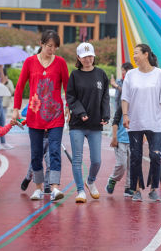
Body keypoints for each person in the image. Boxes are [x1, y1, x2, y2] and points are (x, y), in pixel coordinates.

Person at [13, 30, 69, 201]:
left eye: (55, 47)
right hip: (35, 115)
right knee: (36, 153)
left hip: (55, 115)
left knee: (54, 152)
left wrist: (68, 107)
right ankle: (37, 187)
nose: (52, 50)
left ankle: (54, 188)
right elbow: (20, 86)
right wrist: (16, 109)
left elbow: (67, 88)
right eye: (49, 46)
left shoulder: (60, 63)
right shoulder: (30, 62)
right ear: (41, 44)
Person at [121, 44, 161, 202]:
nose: (134, 56)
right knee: (135, 156)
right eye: (133, 54)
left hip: (155, 122)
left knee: (155, 156)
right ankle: (136, 189)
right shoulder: (131, 75)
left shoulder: (159, 74)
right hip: (135, 121)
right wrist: (125, 115)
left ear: (146, 54)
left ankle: (153, 188)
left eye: (136, 53)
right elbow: (125, 97)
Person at [67, 42, 110, 203]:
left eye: (90, 55)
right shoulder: (75, 75)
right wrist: (81, 112)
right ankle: (80, 191)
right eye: (84, 56)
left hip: (95, 124)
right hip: (78, 124)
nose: (88, 59)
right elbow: (71, 97)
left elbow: (105, 97)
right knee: (77, 159)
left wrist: (106, 115)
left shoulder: (101, 74)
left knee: (97, 160)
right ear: (79, 57)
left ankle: (90, 181)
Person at [107, 62, 135, 196]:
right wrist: (114, 137)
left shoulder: (139, 106)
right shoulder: (122, 106)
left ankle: (128, 187)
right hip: (122, 139)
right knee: (122, 164)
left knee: (132, 165)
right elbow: (115, 121)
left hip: (134, 139)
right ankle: (113, 178)